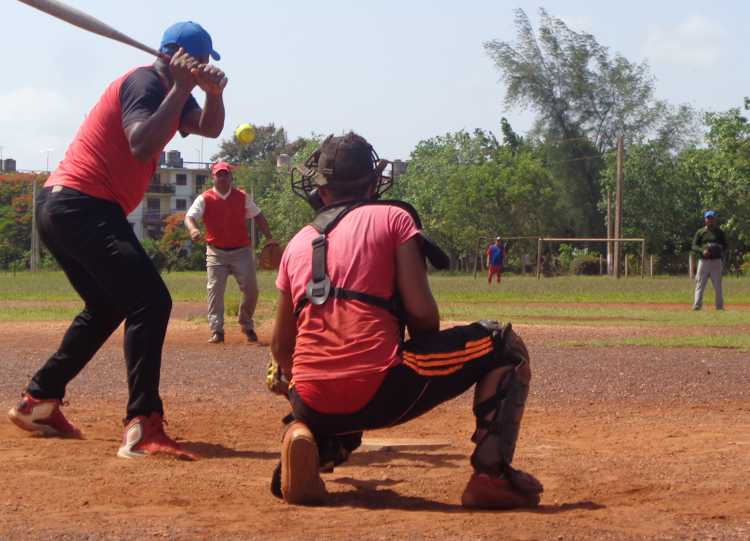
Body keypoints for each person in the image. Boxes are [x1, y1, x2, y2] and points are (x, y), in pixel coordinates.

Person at [268, 133, 542, 509]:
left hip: (309, 398)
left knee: (331, 386)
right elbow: (423, 317)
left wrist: (307, 391)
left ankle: (308, 435)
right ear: (372, 181)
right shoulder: (393, 218)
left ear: (321, 189)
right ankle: (491, 476)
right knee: (502, 343)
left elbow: (282, 349)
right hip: (379, 387)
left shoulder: (297, 242)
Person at [7, 22, 227, 459]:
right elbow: (142, 144)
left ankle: (39, 401)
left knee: (109, 305)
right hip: (80, 204)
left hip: (69, 208)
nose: (204, 68)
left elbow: (209, 129)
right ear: (183, 56)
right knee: (152, 300)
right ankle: (143, 425)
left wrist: (213, 94)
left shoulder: (171, 89)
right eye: (202, 60)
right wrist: (181, 86)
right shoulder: (145, 82)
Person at [184, 161, 275, 343]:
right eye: (219, 174)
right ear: (213, 177)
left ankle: (246, 321)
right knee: (215, 290)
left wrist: (269, 237)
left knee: (252, 290)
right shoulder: (205, 198)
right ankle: (217, 330)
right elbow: (189, 217)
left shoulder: (242, 196)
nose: (223, 177)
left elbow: (258, 215)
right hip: (216, 252)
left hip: (242, 251)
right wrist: (193, 230)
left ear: (231, 177)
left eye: (226, 174)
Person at [692, 210, 727, 311]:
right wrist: (702, 250)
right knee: (699, 284)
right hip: (703, 261)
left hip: (716, 261)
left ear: (715, 219)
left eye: (712, 218)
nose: (710, 220)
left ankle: (719, 307)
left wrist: (718, 248)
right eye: (708, 218)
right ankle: (697, 305)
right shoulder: (700, 232)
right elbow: (694, 246)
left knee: (718, 286)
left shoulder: (720, 232)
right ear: (705, 219)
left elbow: (725, 245)